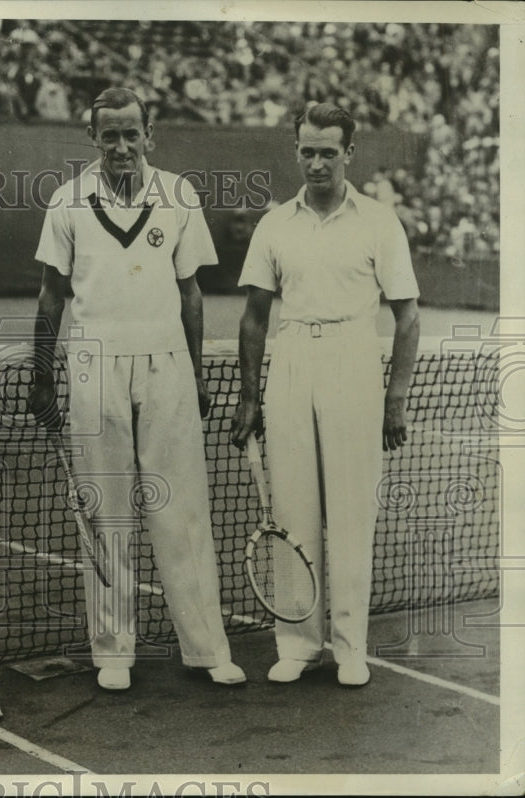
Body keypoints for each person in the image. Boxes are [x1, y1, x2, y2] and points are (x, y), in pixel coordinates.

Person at [27, 87, 246, 691]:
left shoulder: (179, 195)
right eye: (109, 135)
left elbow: (191, 295)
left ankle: (206, 648)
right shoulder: (68, 200)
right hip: (94, 359)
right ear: (92, 137)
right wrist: (43, 373)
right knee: (105, 510)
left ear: (149, 135)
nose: (121, 146)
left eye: (131, 134)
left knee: (183, 509)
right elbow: (52, 294)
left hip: (167, 358)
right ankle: (113, 649)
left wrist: (197, 376)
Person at [230, 102, 420, 687]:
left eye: (328, 152)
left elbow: (408, 319)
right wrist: (249, 396)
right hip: (290, 363)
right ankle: (297, 642)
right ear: (297, 151)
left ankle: (350, 647)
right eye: (307, 151)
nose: (316, 162)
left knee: (351, 512)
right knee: (292, 510)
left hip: (353, 362)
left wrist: (395, 399)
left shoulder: (380, 221)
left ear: (349, 153)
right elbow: (255, 317)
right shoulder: (274, 224)